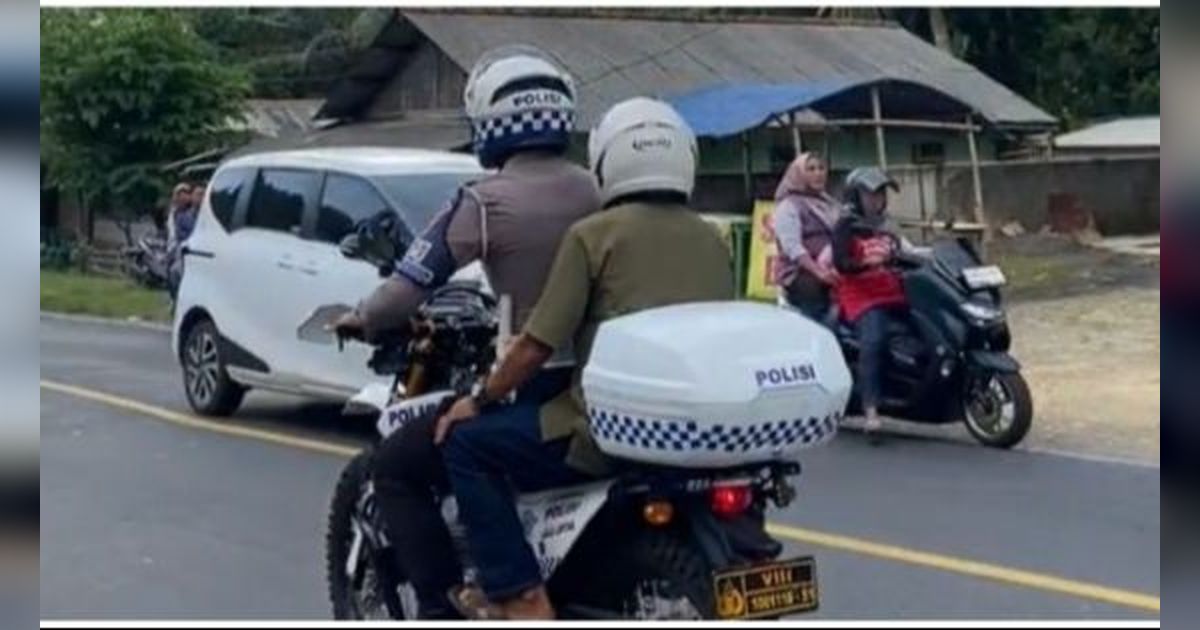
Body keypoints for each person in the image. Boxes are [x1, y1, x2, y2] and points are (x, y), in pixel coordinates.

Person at [433, 97, 735, 619]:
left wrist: (479, 399)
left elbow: (536, 344)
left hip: (601, 430)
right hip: (691, 428)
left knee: (467, 446)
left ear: (605, 162)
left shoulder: (592, 235)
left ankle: (519, 594)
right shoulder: (712, 238)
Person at [331, 45, 600, 620]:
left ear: (489, 121)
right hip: (602, 380)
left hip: (531, 382)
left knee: (401, 462)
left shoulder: (482, 201)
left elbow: (408, 285)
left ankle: (446, 603)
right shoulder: (598, 189)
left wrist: (361, 316)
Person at [831, 167, 911, 439]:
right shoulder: (846, 225)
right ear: (856, 196)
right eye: (870, 194)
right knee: (874, 340)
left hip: (892, 290)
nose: (877, 200)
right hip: (862, 296)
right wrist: (865, 263)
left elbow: (904, 251)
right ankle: (871, 411)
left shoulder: (887, 224)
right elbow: (841, 263)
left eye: (881, 194)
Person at [771, 152, 841, 322]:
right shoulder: (789, 206)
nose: (818, 173)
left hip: (833, 264)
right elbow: (792, 247)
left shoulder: (830, 203)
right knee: (814, 293)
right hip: (801, 271)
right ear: (799, 174)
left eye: (821, 168)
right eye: (810, 169)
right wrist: (819, 272)